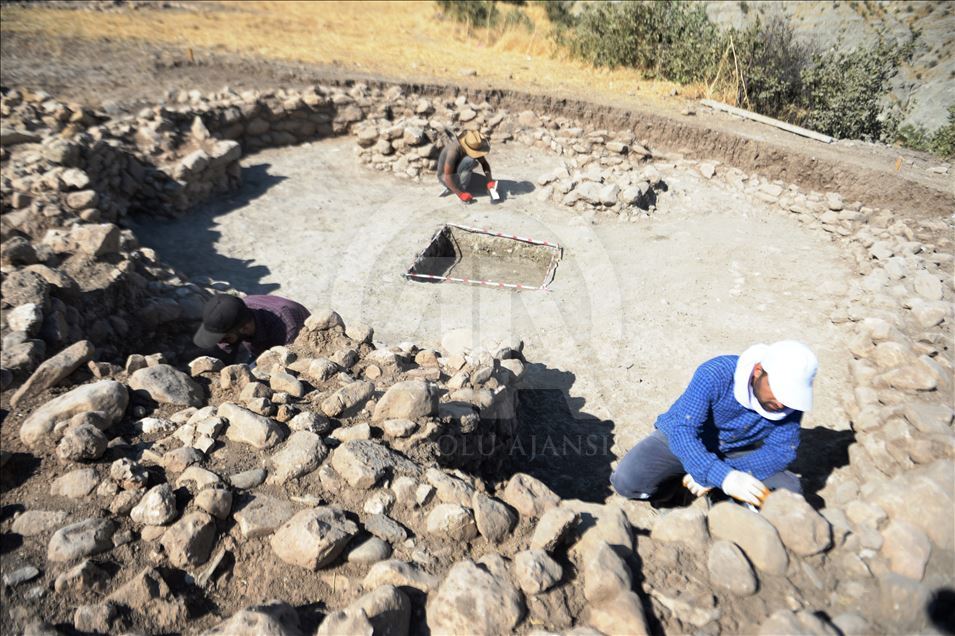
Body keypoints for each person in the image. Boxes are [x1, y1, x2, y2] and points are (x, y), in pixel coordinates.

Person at [610, 340, 818, 508]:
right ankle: (674, 496)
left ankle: (720, 496)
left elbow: (781, 451)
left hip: (735, 451)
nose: (782, 402)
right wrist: (719, 475)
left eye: (790, 396)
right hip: (684, 439)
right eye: (779, 390)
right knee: (628, 481)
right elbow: (682, 430)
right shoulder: (717, 374)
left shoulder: (788, 404)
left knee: (788, 492)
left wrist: (725, 474)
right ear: (758, 371)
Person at [193, 293, 310, 363]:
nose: (220, 343)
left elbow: (290, 362)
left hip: (297, 342)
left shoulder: (287, 326)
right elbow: (225, 352)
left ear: (245, 328)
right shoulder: (236, 314)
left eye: (224, 338)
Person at [436, 129, 495, 203]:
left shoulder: (473, 145)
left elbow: (484, 163)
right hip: (445, 177)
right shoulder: (453, 151)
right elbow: (447, 176)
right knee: (470, 160)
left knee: (486, 184)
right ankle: (459, 189)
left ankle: (459, 186)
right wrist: (460, 194)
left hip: (459, 172)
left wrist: (489, 180)